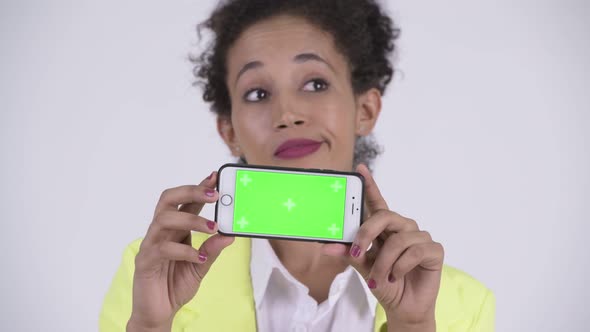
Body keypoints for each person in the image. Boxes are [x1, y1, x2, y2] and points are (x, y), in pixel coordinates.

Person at [100, 0, 495, 331]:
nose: (287, 113)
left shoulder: (462, 305)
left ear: (365, 109)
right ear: (230, 130)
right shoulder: (158, 269)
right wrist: (150, 326)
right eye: (257, 92)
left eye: (315, 84)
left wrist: (413, 327)